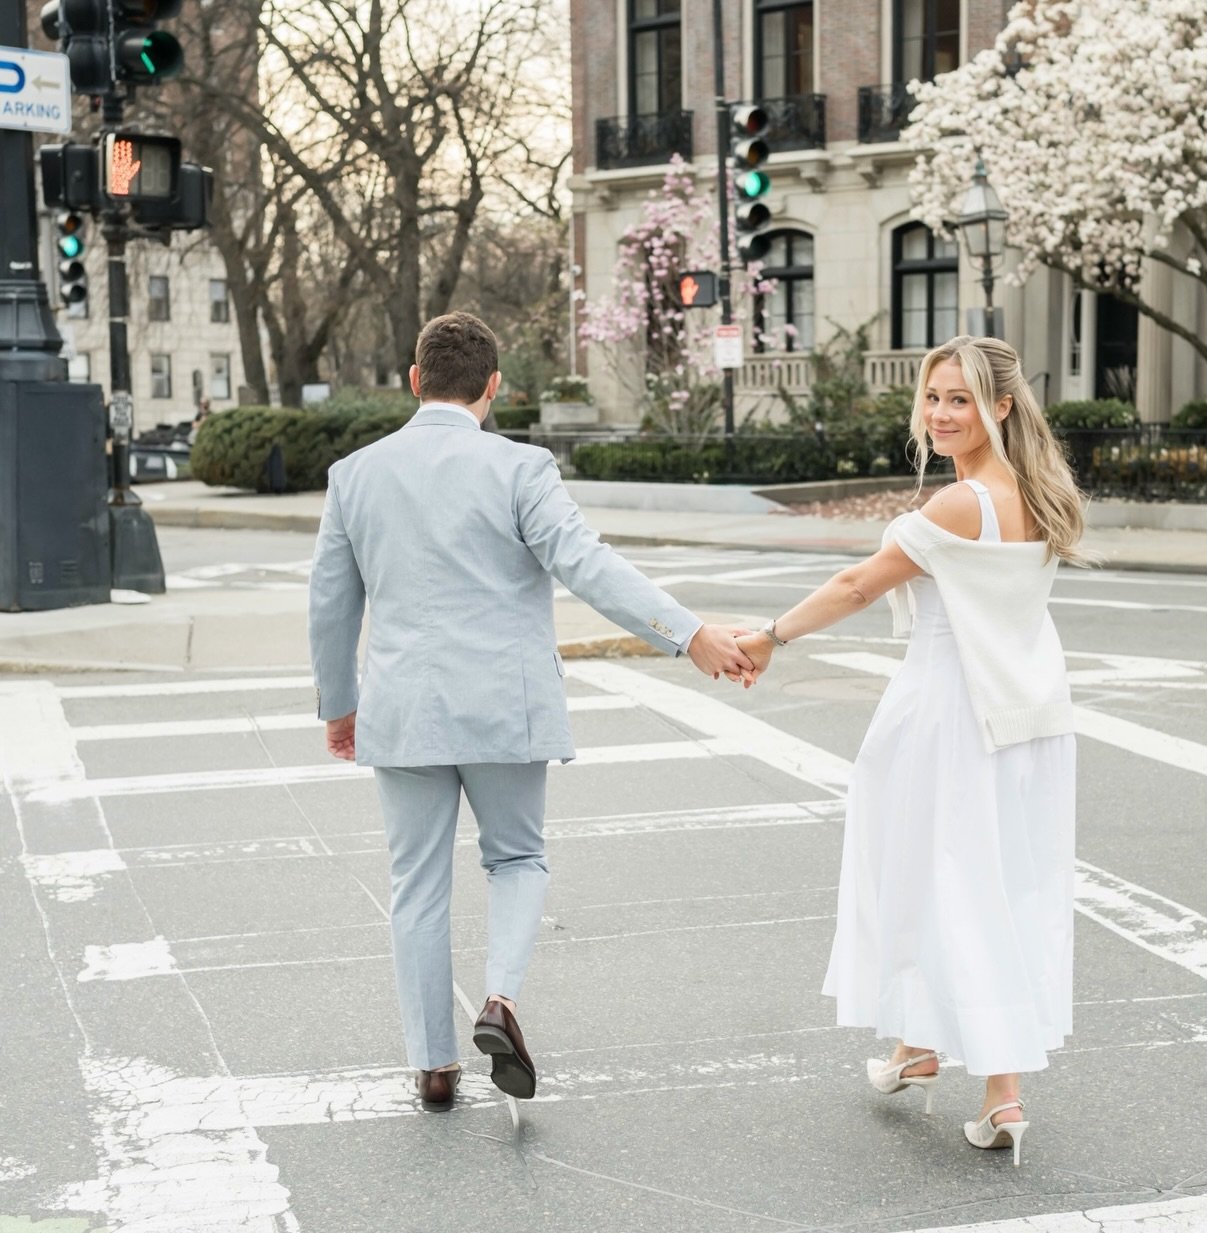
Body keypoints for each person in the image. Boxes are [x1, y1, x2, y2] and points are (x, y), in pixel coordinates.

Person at [308, 312, 754, 1110]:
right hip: (502, 706)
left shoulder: (355, 474)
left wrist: (340, 704)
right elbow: (588, 566)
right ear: (493, 388)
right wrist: (688, 635)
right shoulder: (522, 468)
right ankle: (500, 1000)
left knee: (416, 884)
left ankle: (434, 1063)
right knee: (515, 858)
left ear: (414, 380)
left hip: (403, 706)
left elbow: (331, 606)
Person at [737, 336, 1085, 1165]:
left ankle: (996, 1086)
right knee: (994, 885)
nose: (938, 413)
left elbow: (859, 584)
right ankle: (922, 1052)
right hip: (1029, 719)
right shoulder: (1043, 492)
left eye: (959, 399)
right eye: (932, 397)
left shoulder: (962, 506)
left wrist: (770, 635)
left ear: (1001, 406)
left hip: (946, 716)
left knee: (927, 879)